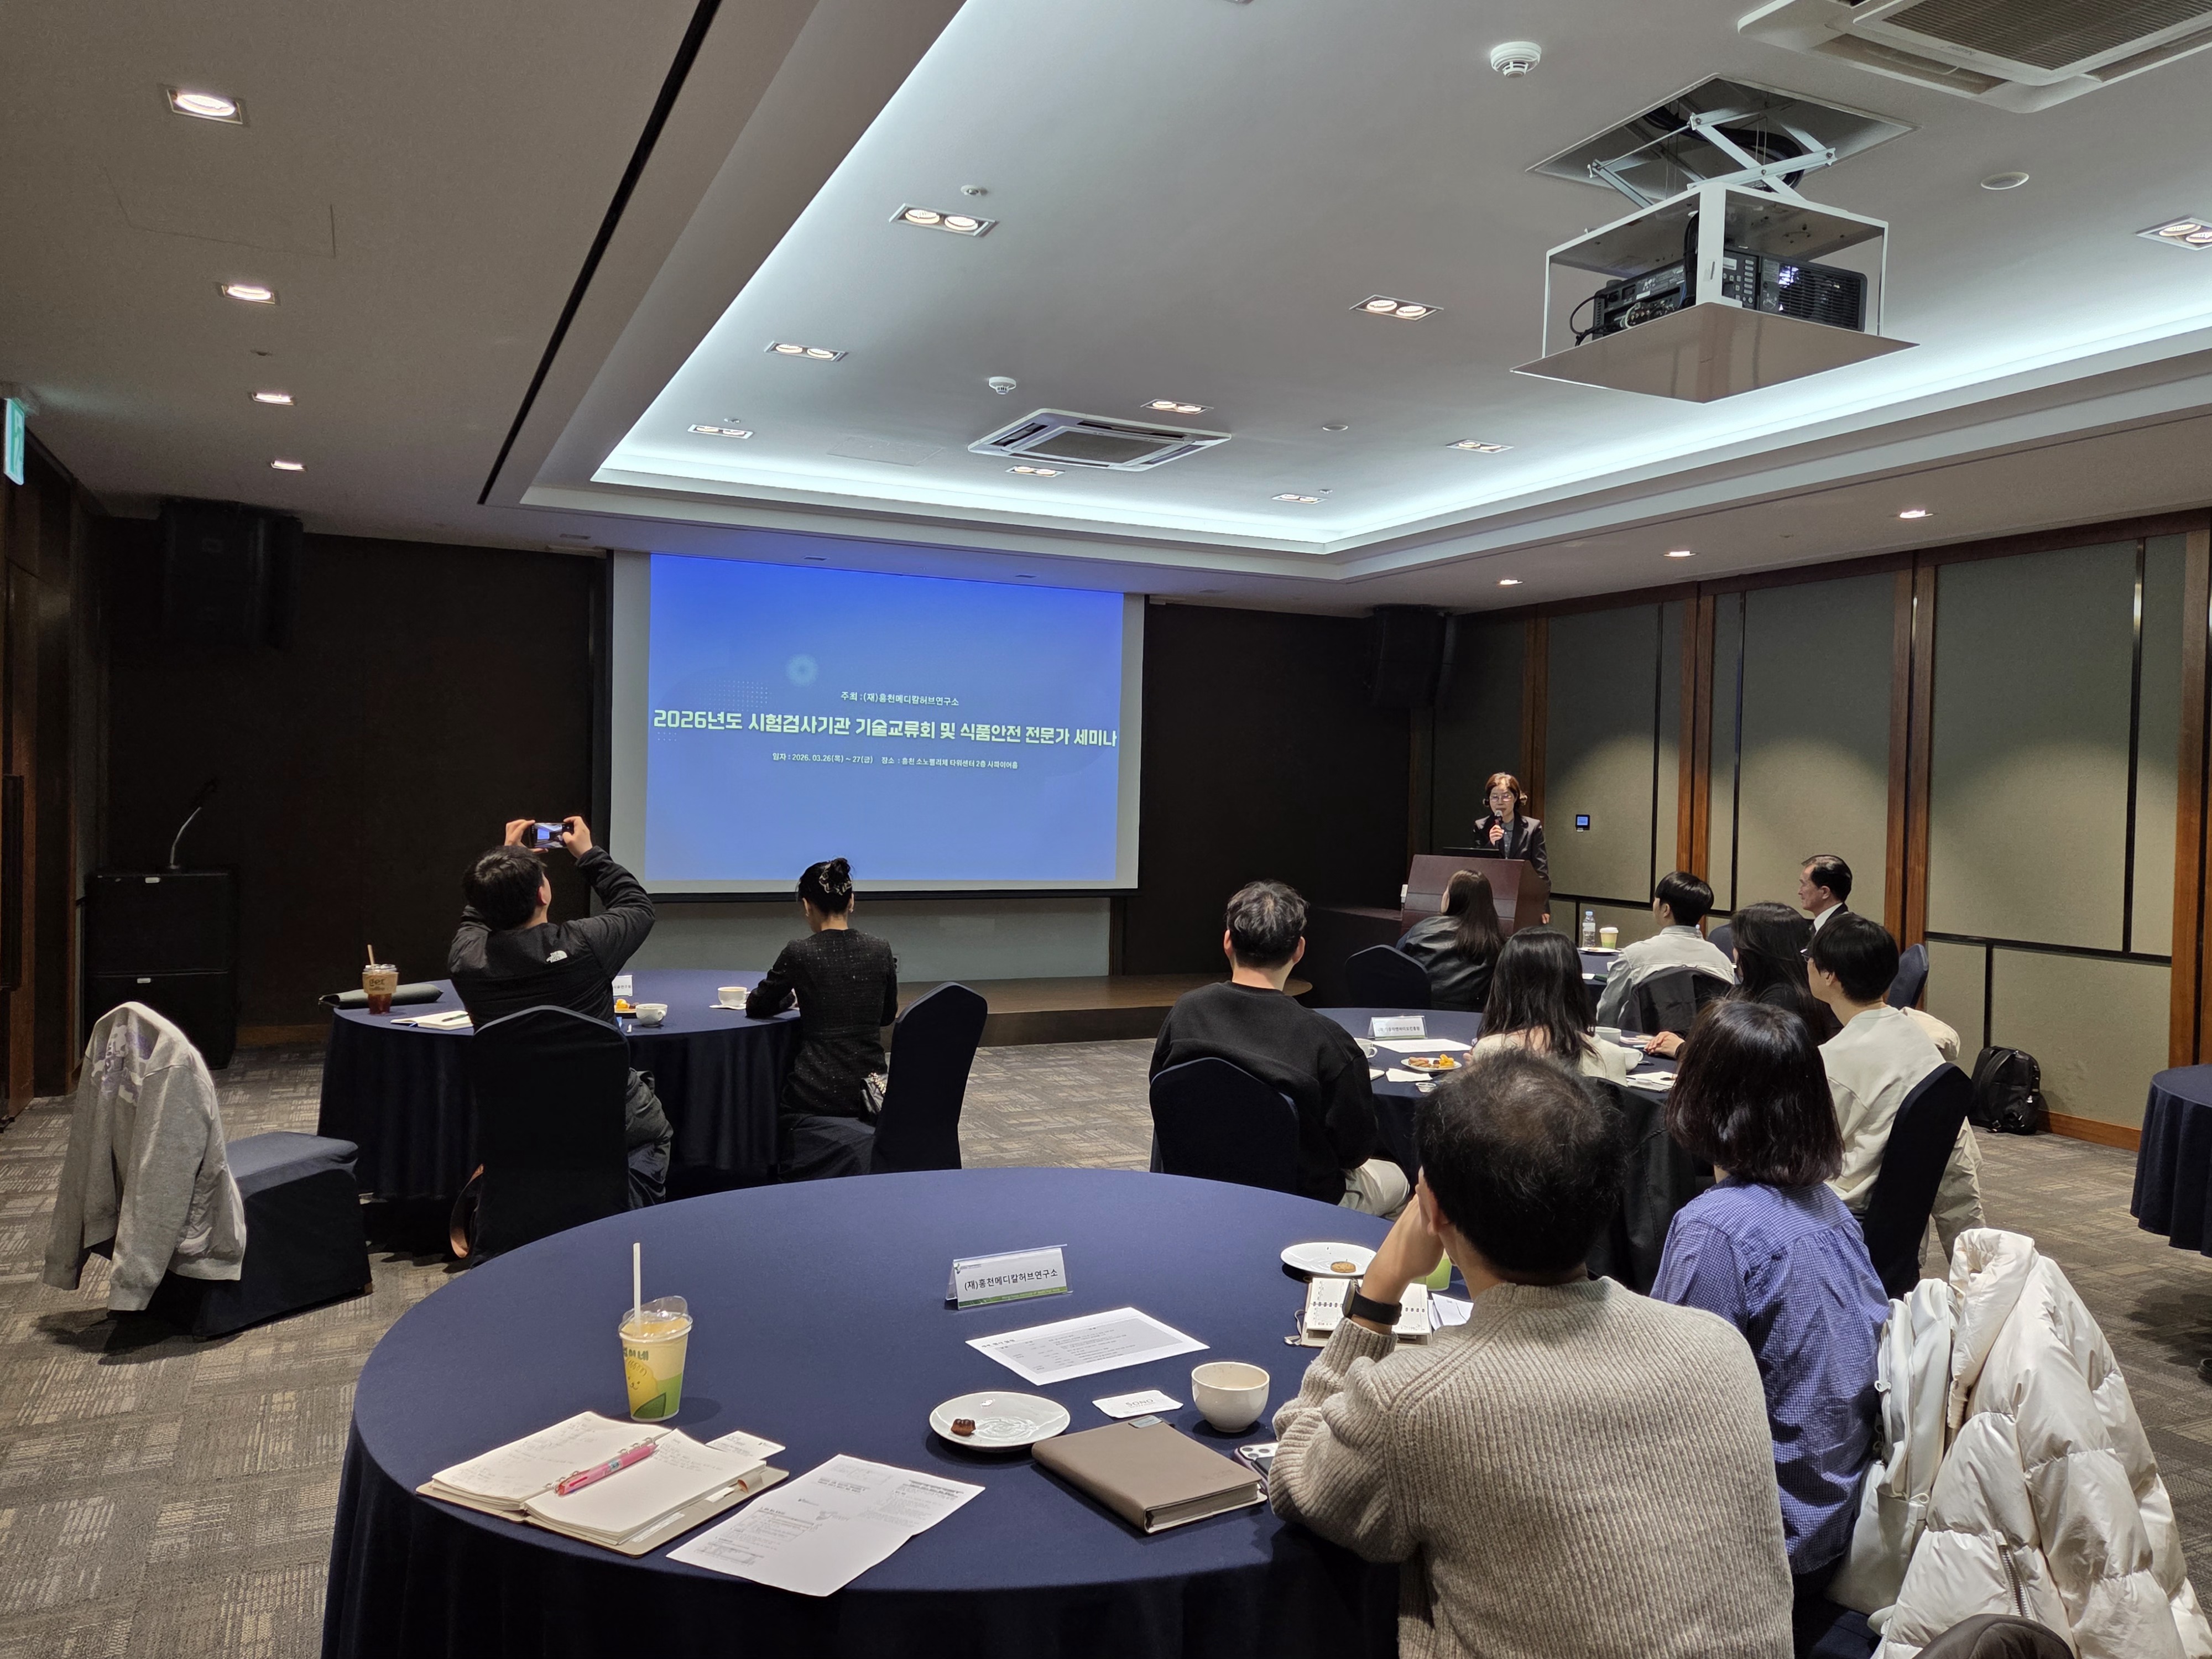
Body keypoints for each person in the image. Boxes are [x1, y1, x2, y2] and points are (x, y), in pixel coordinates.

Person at [1270, 1047, 1794, 1659]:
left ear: (1431, 1207)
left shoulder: (1417, 1403)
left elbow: (1298, 1478)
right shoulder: (1719, 1348)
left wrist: (1378, 1291)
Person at [1651, 1000, 1888, 1648]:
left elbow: (1671, 1410)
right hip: (1833, 1519)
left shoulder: (1714, 1229)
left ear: (1704, 1097)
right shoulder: (1831, 1212)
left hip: (1766, 1550)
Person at [451, 817, 672, 1208]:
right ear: (543, 894)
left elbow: (474, 917)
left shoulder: (466, 959)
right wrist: (588, 854)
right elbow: (637, 906)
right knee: (652, 1131)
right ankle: (626, 1219)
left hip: (516, 1122)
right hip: (605, 1117)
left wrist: (504, 864)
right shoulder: (585, 945)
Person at [1151, 881, 1409, 1215]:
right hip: (1298, 1200)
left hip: (1196, 1185)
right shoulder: (1327, 1042)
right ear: (1299, 950)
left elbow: (1162, 1093)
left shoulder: (1185, 1013)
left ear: (1228, 941)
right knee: (1401, 1181)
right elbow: (1354, 1152)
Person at [1807, 912, 1984, 1254]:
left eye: (1810, 958)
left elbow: (1798, 1154)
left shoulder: (1833, 1063)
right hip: (1900, 1227)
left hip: (1841, 1221)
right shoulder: (1919, 1042)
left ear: (1829, 975)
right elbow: (1957, 1165)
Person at [745, 858, 899, 1181]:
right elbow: (886, 1016)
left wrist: (792, 998)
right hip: (870, 1089)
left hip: (814, 1092)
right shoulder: (880, 949)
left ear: (807, 906)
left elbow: (757, 1005)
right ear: (852, 901)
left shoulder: (800, 953)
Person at [1474, 928, 1641, 1082]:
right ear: (1575, 985)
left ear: (1504, 985)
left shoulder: (1490, 1051)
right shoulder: (1610, 1056)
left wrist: (1471, 1076)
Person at [1593, 870, 1735, 1028]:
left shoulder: (1634, 957)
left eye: (1656, 899)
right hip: (1702, 1043)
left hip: (1644, 1042)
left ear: (1666, 909)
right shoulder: (1723, 963)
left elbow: (1608, 1015)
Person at [1395, 869, 1503, 1012]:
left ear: (1452, 897)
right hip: (1473, 1020)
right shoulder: (1497, 943)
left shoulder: (1421, 930)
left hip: (1421, 1016)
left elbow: (1394, 965)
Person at [1470, 771, 1547, 879]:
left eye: (1506, 796)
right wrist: (1491, 844)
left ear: (1515, 798)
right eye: (1495, 797)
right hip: (1491, 886)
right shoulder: (1481, 827)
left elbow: (1541, 871)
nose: (1500, 802)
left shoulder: (1533, 827)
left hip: (1523, 885)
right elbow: (1477, 867)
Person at [1799, 854, 1851, 936]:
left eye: (1804, 884)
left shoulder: (1846, 932)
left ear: (1825, 892)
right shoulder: (1819, 928)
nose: (1799, 891)